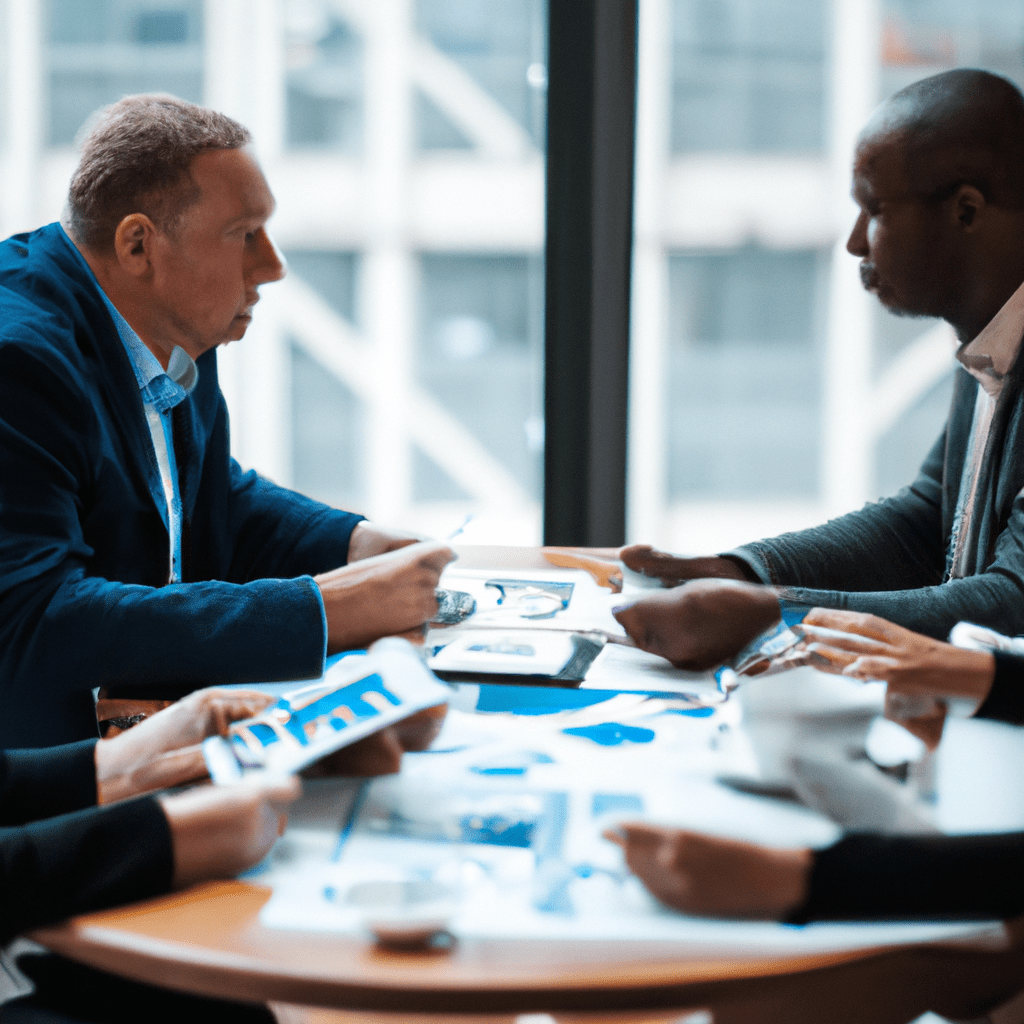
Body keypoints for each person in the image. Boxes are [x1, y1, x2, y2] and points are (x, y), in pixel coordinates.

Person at [0, 93, 455, 748]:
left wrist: (351, 545)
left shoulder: (169, 325)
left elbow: (200, 497)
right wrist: (327, 611)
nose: (272, 266)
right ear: (138, 246)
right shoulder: (17, 363)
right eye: (245, 234)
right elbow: (37, 623)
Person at [615, 69, 1024, 670]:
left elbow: (1012, 605)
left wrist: (775, 616)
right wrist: (744, 572)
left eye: (875, 210)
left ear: (966, 211)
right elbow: (925, 524)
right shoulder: (992, 335)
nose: (856, 242)